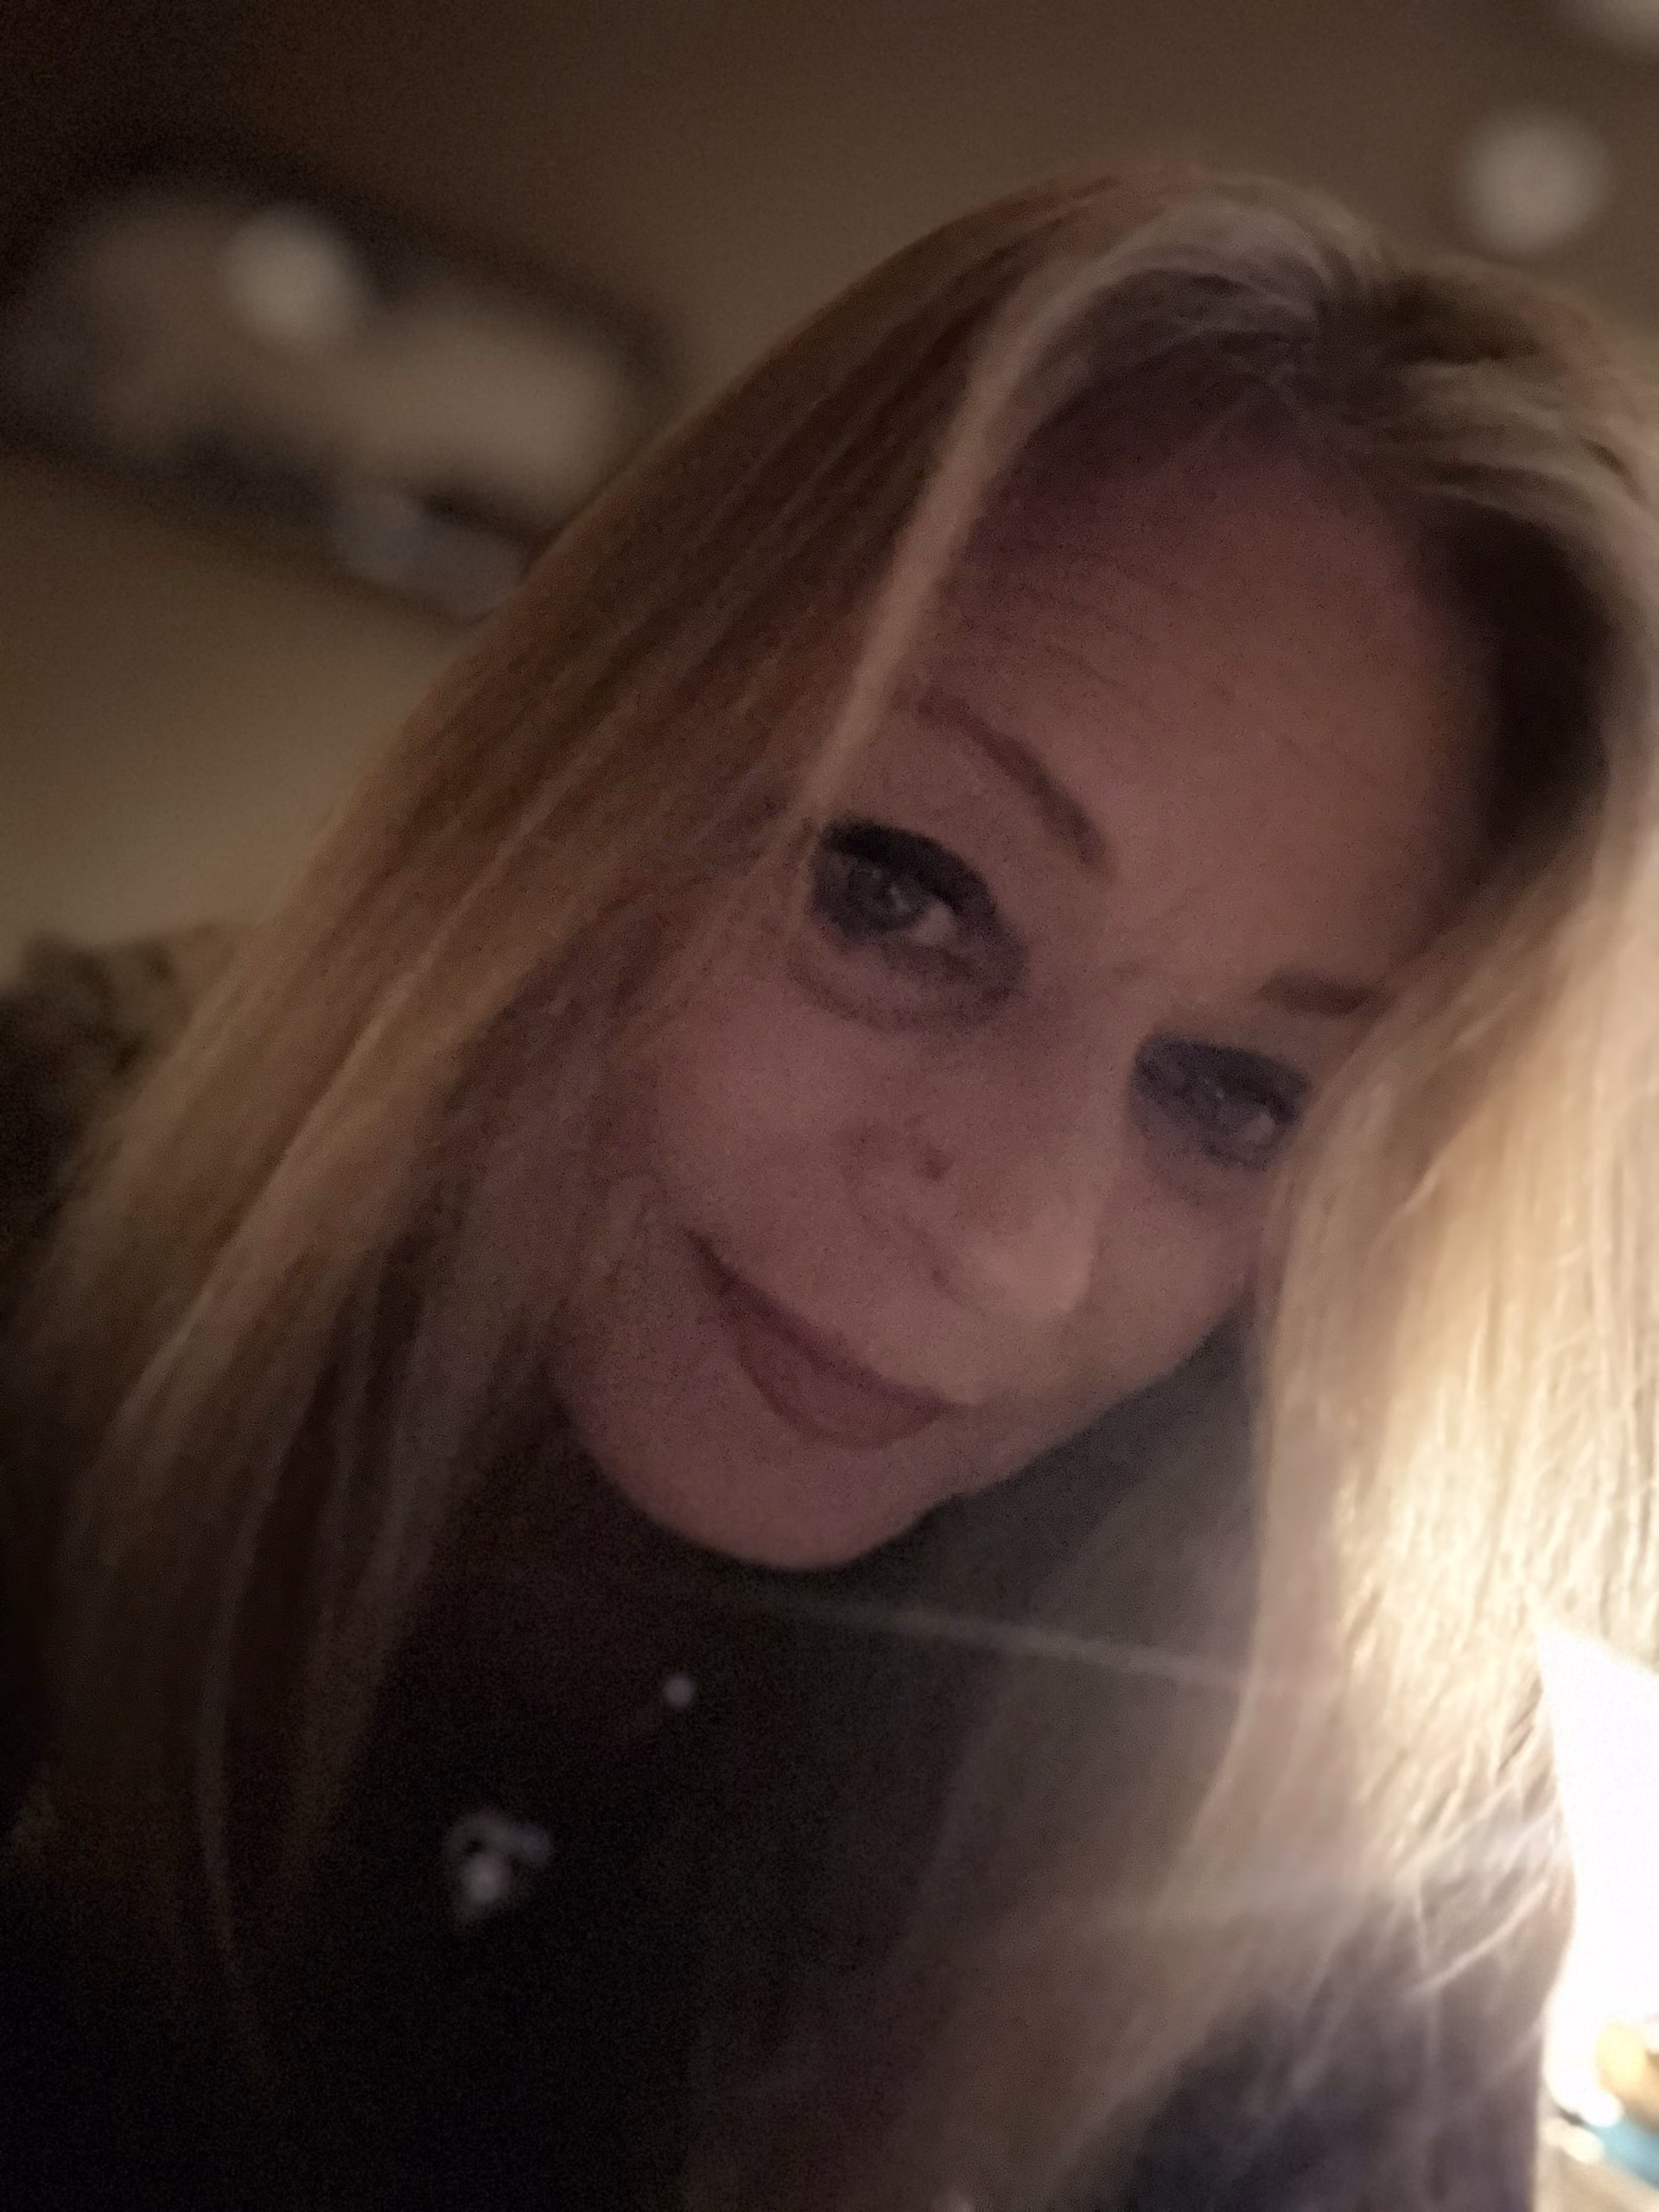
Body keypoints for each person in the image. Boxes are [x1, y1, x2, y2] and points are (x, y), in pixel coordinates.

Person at [4, 162, 1658, 2210]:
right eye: (899, 889)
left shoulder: (1328, 1877)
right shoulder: (43, 1231)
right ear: (591, 763)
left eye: (1240, 1094)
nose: (1017, 1239)